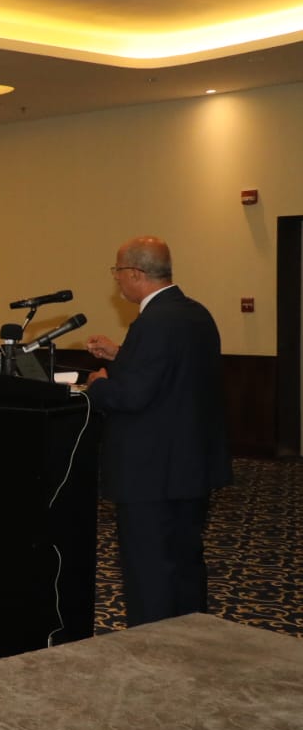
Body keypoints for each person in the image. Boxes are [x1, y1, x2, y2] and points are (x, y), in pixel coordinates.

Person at [84, 236, 230, 627]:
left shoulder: (152, 322)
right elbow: (172, 375)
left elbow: (133, 396)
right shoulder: (195, 313)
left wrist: (99, 385)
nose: (116, 280)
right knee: (184, 560)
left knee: (149, 569)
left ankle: (151, 645)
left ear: (135, 273)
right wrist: (121, 354)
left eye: (117, 271)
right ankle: (192, 633)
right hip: (190, 465)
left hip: (151, 472)